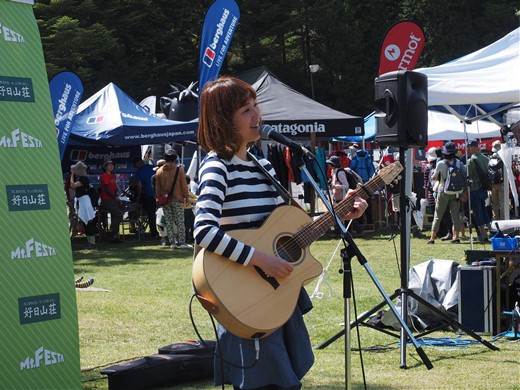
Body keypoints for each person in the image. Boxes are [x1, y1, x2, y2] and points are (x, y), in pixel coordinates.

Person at [194, 76, 368, 390]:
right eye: (246, 110)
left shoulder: (264, 166)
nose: (257, 115)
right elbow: (204, 230)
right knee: (266, 380)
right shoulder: (217, 166)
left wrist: (342, 211)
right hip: (243, 290)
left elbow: (289, 231)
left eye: (255, 105)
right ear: (223, 121)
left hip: (276, 289)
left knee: (284, 377)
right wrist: (259, 259)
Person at [427, 142, 467, 244]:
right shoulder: (458, 163)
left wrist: (434, 177)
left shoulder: (440, 163)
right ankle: (456, 237)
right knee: (455, 215)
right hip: (456, 192)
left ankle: (432, 238)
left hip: (443, 191)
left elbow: (434, 177)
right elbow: (465, 172)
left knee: (438, 215)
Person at [155, 149, 192, 249]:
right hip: (177, 198)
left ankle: (172, 243)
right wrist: (186, 197)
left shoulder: (159, 171)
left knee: (168, 221)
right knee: (180, 220)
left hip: (165, 200)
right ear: (175, 158)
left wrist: (158, 198)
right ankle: (182, 242)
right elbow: (184, 185)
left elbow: (157, 188)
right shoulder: (179, 170)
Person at [467, 139, 492, 241]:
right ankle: (490, 231)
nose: (468, 149)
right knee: (484, 211)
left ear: (472, 147)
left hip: (474, 189)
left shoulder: (471, 160)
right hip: (484, 188)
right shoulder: (486, 159)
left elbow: (469, 176)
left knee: (478, 213)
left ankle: (483, 234)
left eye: (469, 147)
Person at [69, 161, 97, 249]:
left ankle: (92, 243)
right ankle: (90, 242)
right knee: (85, 222)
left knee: (88, 221)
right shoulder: (81, 178)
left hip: (85, 201)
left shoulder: (83, 178)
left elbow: (73, 185)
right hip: (82, 201)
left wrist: (72, 175)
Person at [133, 157, 159, 237]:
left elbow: (139, 186)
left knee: (151, 215)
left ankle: (154, 232)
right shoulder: (153, 168)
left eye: (135, 165)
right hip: (159, 194)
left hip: (149, 195)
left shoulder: (138, 172)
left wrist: (139, 196)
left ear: (138, 163)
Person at [100, 160, 124, 243]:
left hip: (113, 199)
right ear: (105, 167)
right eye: (109, 165)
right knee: (119, 215)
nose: (111, 166)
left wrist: (118, 196)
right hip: (107, 199)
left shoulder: (113, 176)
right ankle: (111, 233)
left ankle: (115, 237)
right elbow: (106, 189)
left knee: (116, 216)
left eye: (112, 164)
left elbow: (114, 189)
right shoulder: (104, 175)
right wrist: (115, 197)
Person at [489, 140, 506, 221]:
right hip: (502, 182)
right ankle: (503, 219)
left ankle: (495, 219)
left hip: (492, 183)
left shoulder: (491, 157)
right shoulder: (504, 156)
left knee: (494, 203)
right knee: (502, 202)